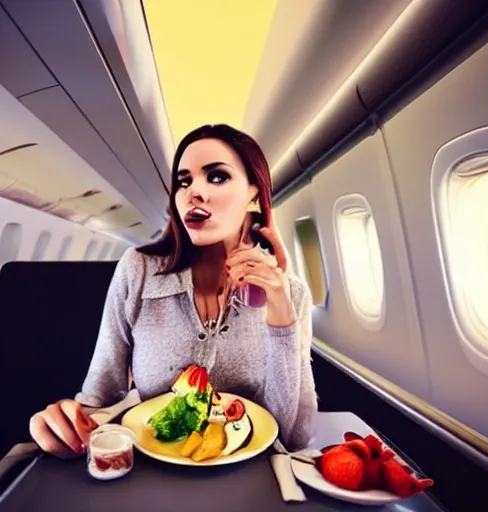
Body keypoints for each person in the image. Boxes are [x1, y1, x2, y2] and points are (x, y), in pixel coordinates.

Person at [29, 124, 318, 458]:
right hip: (153, 469)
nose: (193, 192)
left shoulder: (290, 293)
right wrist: (64, 423)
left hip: (248, 478)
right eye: (184, 181)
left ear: (254, 193)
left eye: (217, 177)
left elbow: (295, 438)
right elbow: (99, 397)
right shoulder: (137, 270)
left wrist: (280, 312)